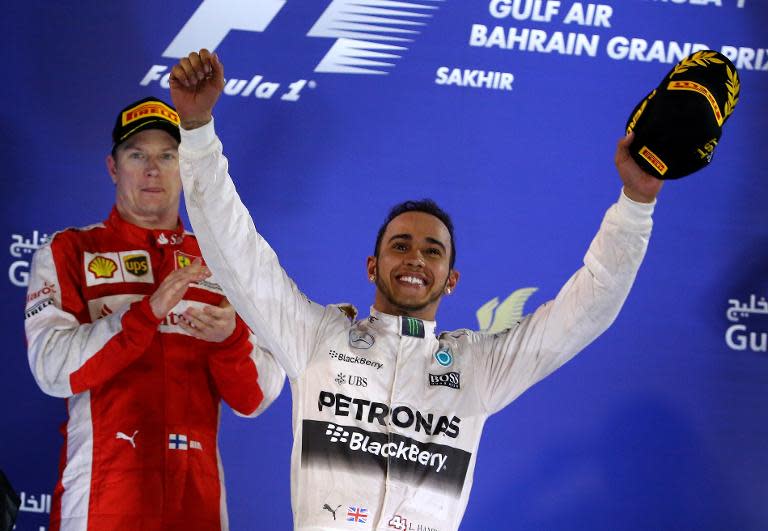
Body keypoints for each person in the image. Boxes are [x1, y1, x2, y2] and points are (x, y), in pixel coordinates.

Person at [170, 50, 663, 531]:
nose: (414, 259)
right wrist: (196, 133)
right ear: (371, 266)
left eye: (432, 252)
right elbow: (237, 253)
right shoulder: (316, 339)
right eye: (400, 245)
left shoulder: (479, 369)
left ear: (451, 279)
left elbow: (588, 307)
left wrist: (636, 202)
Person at [24, 96, 285, 531]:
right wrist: (144, 316)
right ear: (112, 167)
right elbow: (52, 368)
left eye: (167, 156)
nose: (152, 169)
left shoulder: (222, 263)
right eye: (137, 155)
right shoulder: (69, 251)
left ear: (185, 169)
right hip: (100, 505)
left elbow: (256, 398)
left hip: (196, 507)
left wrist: (231, 341)